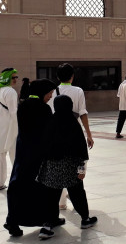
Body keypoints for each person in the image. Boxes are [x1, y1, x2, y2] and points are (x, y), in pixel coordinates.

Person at [4, 78, 57, 238]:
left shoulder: (23, 105)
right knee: (40, 187)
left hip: (23, 150)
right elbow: (47, 133)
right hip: (38, 153)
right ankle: (45, 219)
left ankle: (12, 220)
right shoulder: (44, 109)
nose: (50, 97)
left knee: (18, 184)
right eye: (49, 93)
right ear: (42, 92)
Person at [37, 95, 98, 233]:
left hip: (53, 167)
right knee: (78, 194)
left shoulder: (51, 121)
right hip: (71, 167)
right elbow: (81, 149)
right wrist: (82, 170)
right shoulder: (72, 123)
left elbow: (44, 145)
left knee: (51, 197)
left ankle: (47, 225)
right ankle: (85, 219)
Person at [52, 63, 94, 211]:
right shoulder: (78, 91)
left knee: (59, 165)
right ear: (72, 76)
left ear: (58, 76)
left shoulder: (53, 91)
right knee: (78, 166)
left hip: (57, 133)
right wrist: (88, 134)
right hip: (74, 132)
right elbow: (82, 112)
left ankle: (61, 202)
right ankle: (78, 201)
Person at [0, 68, 19, 191]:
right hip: (10, 126)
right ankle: (18, 180)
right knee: (15, 155)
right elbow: (14, 113)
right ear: (7, 78)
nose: (16, 79)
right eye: (13, 77)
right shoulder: (10, 92)